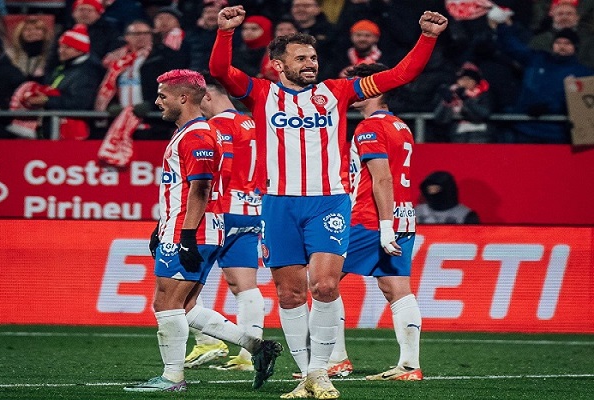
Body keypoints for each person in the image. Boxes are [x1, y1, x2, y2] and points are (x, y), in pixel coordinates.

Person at [209, 5, 447, 399]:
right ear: (278, 65)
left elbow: (400, 75)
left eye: (313, 57)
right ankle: (306, 376)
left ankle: (321, 371)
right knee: (289, 294)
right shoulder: (262, 93)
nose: (310, 64)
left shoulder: (337, 92)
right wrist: (225, 32)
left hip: (328, 203)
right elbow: (220, 70)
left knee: (323, 286)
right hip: (278, 204)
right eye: (301, 58)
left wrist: (427, 37)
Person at [123, 69, 282, 392]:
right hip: (191, 226)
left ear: (183, 98)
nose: (158, 102)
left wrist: (184, 236)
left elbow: (201, 188)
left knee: (166, 304)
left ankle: (172, 378)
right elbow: (182, 187)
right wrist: (161, 227)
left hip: (192, 229)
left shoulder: (198, 135)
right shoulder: (193, 131)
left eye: (163, 96)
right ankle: (256, 346)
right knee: (185, 306)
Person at [343, 62, 423, 382]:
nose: (352, 90)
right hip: (403, 216)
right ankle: (409, 366)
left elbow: (383, 179)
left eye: (358, 84)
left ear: (374, 89)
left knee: (321, 281)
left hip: (370, 218)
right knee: (396, 288)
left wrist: (384, 226)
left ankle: (334, 360)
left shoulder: (369, 127)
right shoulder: (401, 126)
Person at [184, 72, 264, 372]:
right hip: (252, 210)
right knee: (245, 285)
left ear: (207, 96)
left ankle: (207, 342)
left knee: (183, 281)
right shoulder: (253, 123)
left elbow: (218, 170)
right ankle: (249, 355)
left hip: (221, 210)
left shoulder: (215, 127)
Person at [494, 16, 594, 143]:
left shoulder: (583, 73)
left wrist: (551, 107)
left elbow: (585, 105)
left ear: (575, 47)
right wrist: (504, 26)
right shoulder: (537, 59)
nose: (562, 47)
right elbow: (512, 47)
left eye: (567, 43)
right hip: (524, 128)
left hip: (557, 133)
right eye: (558, 43)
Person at [6, 24, 105, 140]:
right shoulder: (63, 68)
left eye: (67, 48)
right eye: (60, 47)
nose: (61, 51)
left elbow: (80, 103)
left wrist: (46, 100)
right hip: (53, 127)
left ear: (79, 50)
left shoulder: (87, 72)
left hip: (69, 134)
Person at [433, 62, 494, 143]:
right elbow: (440, 119)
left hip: (481, 137)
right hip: (457, 138)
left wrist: (465, 100)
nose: (465, 82)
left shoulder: (484, 95)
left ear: (475, 82)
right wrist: (446, 102)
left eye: (469, 79)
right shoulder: (452, 94)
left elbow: (483, 114)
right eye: (462, 79)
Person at [415, 170, 480, 224]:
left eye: (436, 189)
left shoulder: (466, 215)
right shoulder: (417, 212)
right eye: (429, 189)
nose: (432, 193)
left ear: (448, 190)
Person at [7, 16, 53, 82]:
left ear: (44, 33)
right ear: (20, 33)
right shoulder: (10, 54)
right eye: (28, 30)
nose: (33, 32)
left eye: (37, 29)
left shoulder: (51, 56)